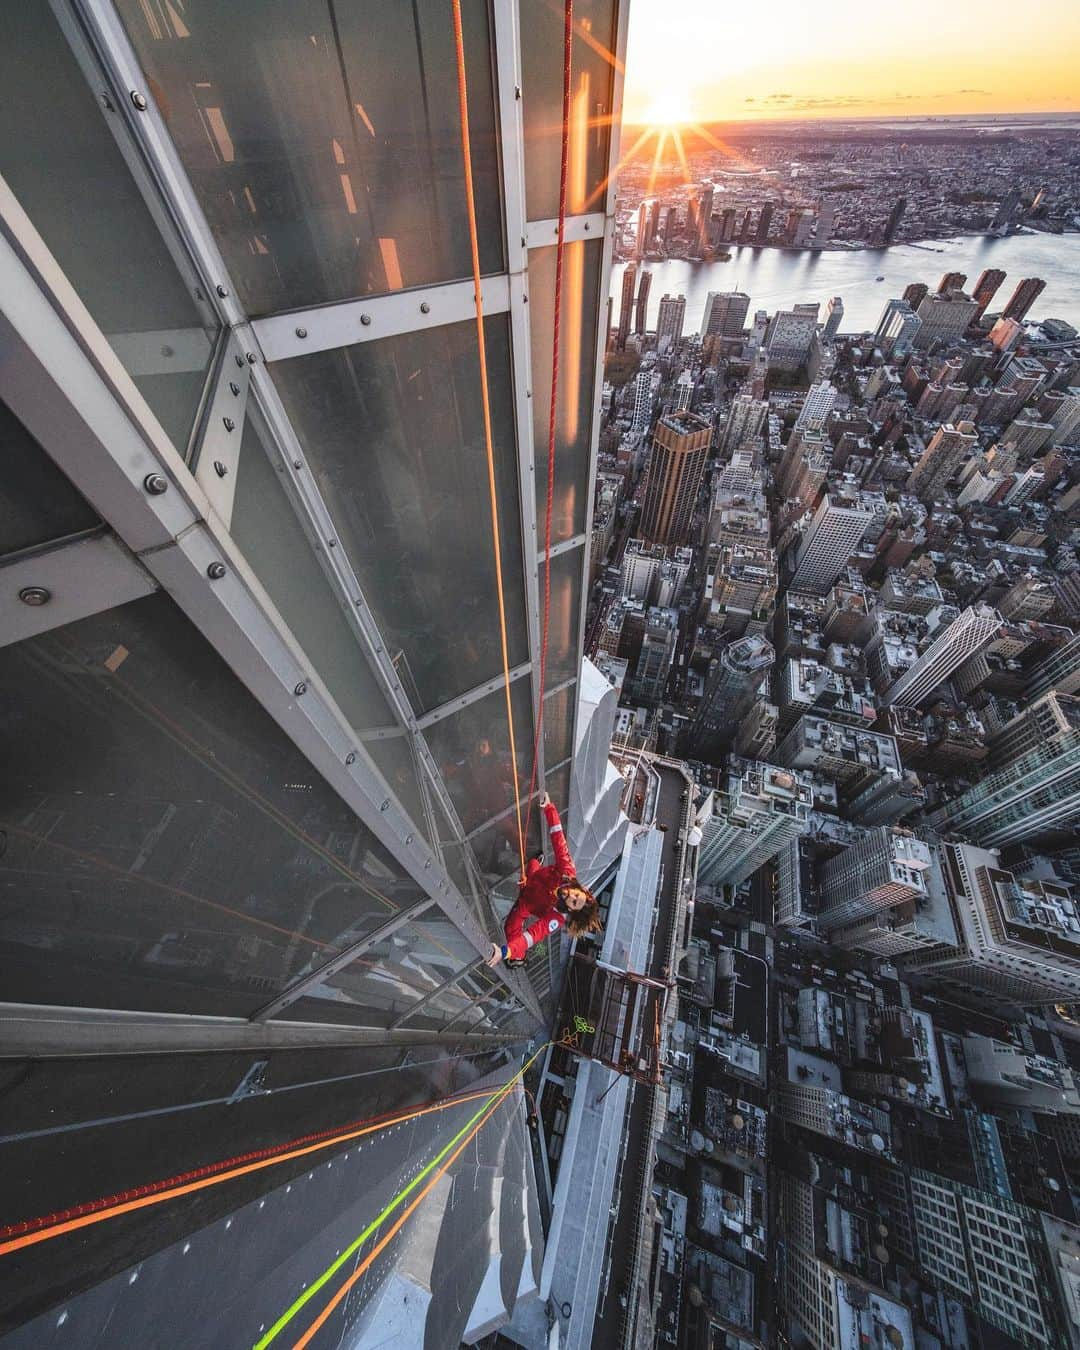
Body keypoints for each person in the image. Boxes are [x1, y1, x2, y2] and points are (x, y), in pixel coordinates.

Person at [485, 792, 602, 968]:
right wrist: (549, 808)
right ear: (580, 888)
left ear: (571, 909)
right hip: (535, 878)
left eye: (574, 902)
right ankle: (535, 863)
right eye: (577, 895)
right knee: (532, 864)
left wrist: (504, 952)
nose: (571, 896)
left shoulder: (557, 917)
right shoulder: (568, 872)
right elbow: (559, 841)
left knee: (511, 927)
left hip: (528, 902)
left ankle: (518, 959)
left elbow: (533, 935)